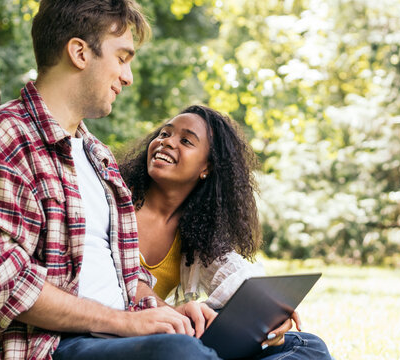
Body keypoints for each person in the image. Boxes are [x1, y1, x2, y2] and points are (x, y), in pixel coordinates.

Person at [0, 1, 218, 359]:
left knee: (301, 347)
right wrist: (125, 324)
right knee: (178, 353)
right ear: (79, 53)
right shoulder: (4, 136)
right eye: (122, 58)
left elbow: (124, 275)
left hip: (117, 338)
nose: (128, 76)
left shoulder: (97, 155)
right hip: (50, 346)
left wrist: (164, 313)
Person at [119, 104, 333, 358]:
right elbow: (121, 281)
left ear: (207, 168)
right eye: (164, 134)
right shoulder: (118, 201)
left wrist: (272, 311)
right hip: (124, 331)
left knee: (306, 345)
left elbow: (235, 276)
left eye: (186, 140)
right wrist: (170, 311)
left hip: (170, 331)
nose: (167, 142)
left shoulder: (194, 230)